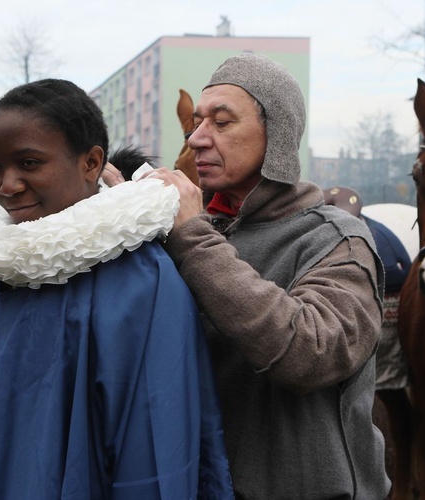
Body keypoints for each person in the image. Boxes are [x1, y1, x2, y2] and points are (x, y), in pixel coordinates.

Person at [0, 79, 232, 498]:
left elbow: (154, 448)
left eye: (29, 163)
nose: (7, 185)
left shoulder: (143, 280)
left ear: (91, 163)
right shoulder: (9, 275)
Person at [128, 53, 390, 498]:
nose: (196, 139)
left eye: (222, 122)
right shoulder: (190, 230)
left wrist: (192, 238)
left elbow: (313, 351)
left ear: (278, 135)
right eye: (196, 123)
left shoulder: (336, 239)